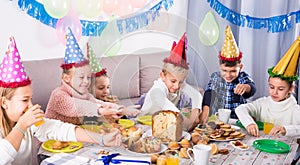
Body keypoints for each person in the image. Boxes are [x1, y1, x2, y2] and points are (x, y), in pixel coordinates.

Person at [0, 37, 122, 165]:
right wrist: (21, 126)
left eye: (30, 99)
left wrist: (101, 138)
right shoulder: (23, 123)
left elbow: (59, 129)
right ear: (4, 103)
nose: (30, 105)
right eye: (25, 100)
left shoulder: (29, 124)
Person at [45, 28, 124, 125]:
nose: (86, 81)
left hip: (76, 135)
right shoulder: (58, 95)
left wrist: (121, 109)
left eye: (88, 77)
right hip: (53, 138)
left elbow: (100, 103)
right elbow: (78, 107)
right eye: (81, 77)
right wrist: (100, 110)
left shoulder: (84, 94)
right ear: (66, 78)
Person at [235, 37, 300, 137]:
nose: (275, 92)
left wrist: (285, 129)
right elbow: (240, 109)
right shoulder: (263, 103)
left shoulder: (294, 110)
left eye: (281, 89)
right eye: (272, 87)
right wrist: (249, 123)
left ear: (290, 89)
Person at [139, 33, 203, 131]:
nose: (177, 86)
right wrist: (187, 122)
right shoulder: (157, 90)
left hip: (165, 122)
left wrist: (195, 112)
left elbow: (197, 95)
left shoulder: (177, 84)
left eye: (181, 82)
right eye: (173, 81)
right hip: (146, 124)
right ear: (162, 76)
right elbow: (168, 107)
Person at [201, 26, 256, 122]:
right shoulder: (215, 77)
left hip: (237, 119)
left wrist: (246, 87)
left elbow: (252, 88)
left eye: (233, 71)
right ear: (219, 67)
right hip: (217, 117)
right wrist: (206, 110)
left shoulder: (242, 77)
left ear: (240, 67)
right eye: (224, 70)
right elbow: (209, 93)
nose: (228, 75)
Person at [87, 44, 141, 117]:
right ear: (89, 88)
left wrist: (121, 108)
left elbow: (115, 107)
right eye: (101, 88)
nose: (106, 91)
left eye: (108, 87)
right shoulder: (88, 101)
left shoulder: (108, 99)